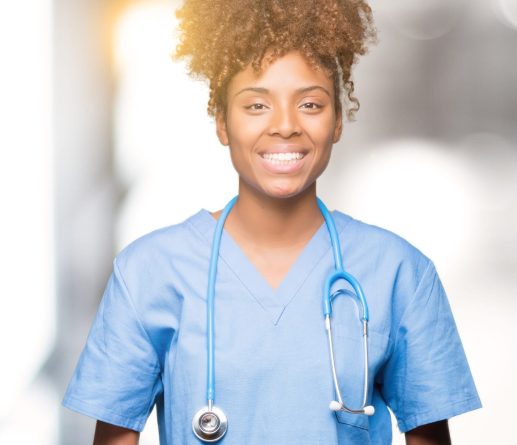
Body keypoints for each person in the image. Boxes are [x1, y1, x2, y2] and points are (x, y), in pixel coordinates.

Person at [61, 1, 481, 443]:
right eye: (257, 105)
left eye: (311, 104)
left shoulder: (400, 273)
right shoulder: (149, 271)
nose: (285, 126)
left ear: (338, 120)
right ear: (222, 121)